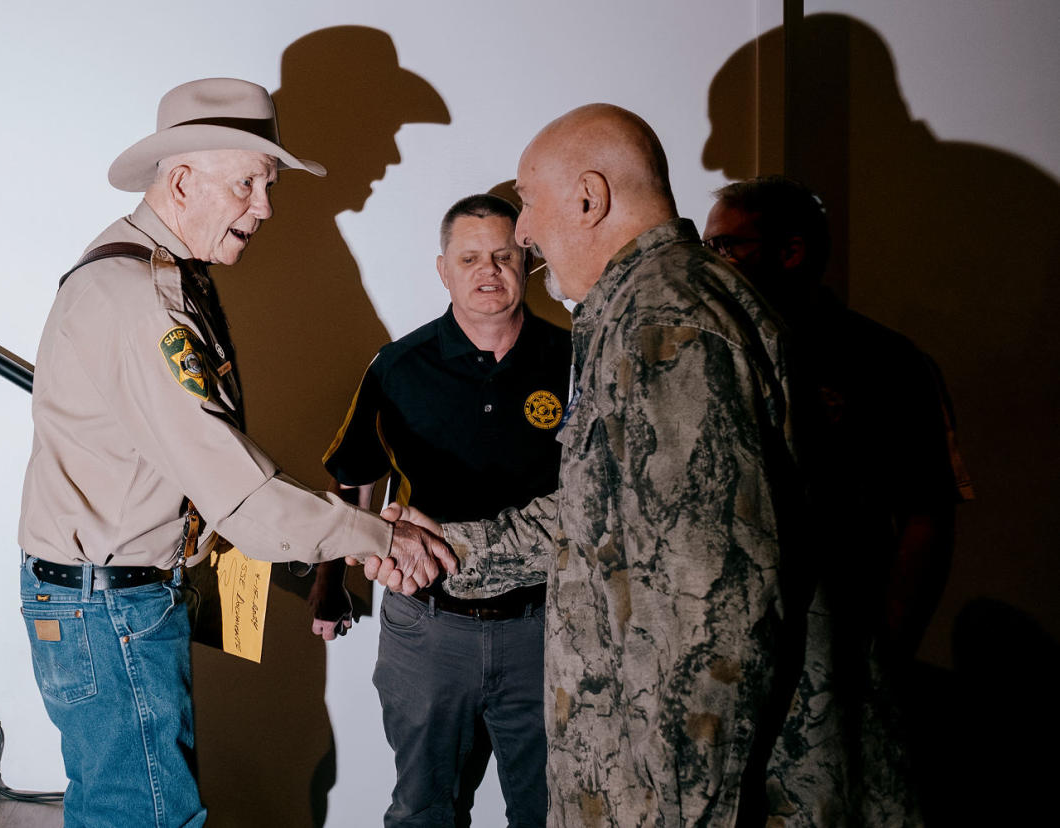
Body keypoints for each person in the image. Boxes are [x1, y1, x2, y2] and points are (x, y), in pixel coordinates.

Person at [361, 104, 859, 825]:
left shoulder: (667, 326)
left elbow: (711, 619)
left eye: (528, 205)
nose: (522, 233)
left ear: (589, 198)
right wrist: (454, 550)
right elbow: (596, 510)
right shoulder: (640, 313)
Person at [17, 77, 453, 828]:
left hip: (114, 598)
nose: (266, 207)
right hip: (110, 605)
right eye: (248, 183)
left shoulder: (158, 275)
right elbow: (238, 494)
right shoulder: (141, 298)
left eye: (269, 184)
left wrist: (312, 570)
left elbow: (186, 482)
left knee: (135, 809)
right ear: (182, 181)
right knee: (148, 816)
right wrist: (379, 538)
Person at [312, 193, 570, 827]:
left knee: (554, 812)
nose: (489, 271)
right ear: (443, 268)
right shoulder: (399, 368)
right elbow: (355, 476)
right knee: (425, 809)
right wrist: (330, 583)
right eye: (471, 257)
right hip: (428, 627)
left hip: (547, 626)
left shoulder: (574, 360)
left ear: (527, 261)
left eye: (504, 256)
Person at [703, 175, 972, 665]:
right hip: (735, 650)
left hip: (843, 642)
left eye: (726, 245)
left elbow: (926, 514)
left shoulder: (886, 361)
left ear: (791, 252)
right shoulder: (713, 357)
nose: (711, 265)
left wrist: (886, 648)